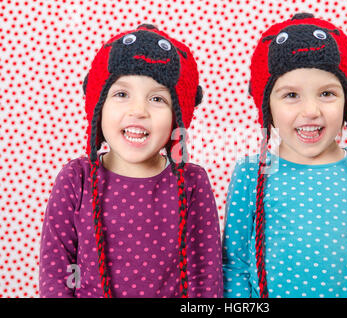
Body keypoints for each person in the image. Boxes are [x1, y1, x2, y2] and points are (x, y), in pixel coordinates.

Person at [222, 13, 347, 298]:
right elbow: (234, 265)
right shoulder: (252, 172)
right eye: (291, 95)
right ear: (267, 106)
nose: (311, 110)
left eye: (327, 93)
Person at [39, 24, 223, 298]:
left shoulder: (192, 182)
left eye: (158, 98)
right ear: (98, 105)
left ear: (178, 115)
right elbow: (57, 269)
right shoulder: (76, 179)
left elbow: (206, 273)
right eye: (122, 94)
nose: (139, 111)